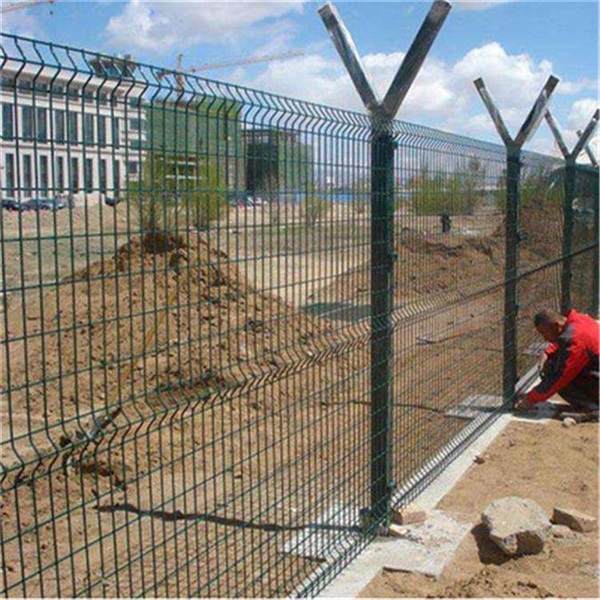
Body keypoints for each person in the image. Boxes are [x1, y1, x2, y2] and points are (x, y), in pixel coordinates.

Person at [515, 308, 599, 415]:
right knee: (554, 360)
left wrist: (530, 399)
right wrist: (548, 352)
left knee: (553, 371)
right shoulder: (579, 320)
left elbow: (560, 376)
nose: (544, 338)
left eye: (543, 332)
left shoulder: (575, 340)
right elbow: (568, 341)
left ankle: (591, 408)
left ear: (556, 326)